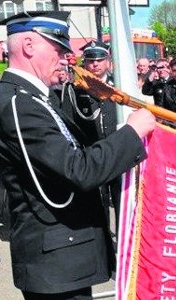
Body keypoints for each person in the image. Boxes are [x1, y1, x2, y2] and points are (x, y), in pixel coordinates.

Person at [0, 11, 155, 300]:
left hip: (61, 255)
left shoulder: (35, 98)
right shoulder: (20, 103)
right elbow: (79, 170)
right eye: (58, 47)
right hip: (54, 257)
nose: (66, 57)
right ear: (28, 45)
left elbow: (76, 144)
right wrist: (131, 133)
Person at [62, 41, 123, 236]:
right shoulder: (75, 89)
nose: (95, 64)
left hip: (118, 151)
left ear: (108, 62)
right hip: (91, 153)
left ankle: (123, 242)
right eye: (90, 61)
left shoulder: (120, 84)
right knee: (98, 202)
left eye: (99, 60)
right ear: (84, 63)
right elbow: (68, 122)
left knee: (122, 199)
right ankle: (103, 237)